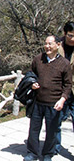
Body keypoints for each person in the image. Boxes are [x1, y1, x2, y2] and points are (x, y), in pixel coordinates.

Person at [24, 35, 72, 161]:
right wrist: (32, 83)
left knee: (52, 131)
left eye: (50, 44)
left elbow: (68, 85)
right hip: (38, 101)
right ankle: (32, 153)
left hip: (54, 103)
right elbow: (30, 73)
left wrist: (62, 99)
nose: (47, 46)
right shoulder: (38, 59)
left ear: (58, 45)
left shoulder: (64, 63)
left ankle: (47, 154)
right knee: (34, 129)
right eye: (46, 43)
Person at [55, 21, 74, 154]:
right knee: (56, 120)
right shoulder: (57, 46)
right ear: (65, 33)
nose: (73, 39)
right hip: (59, 89)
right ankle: (54, 148)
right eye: (70, 36)